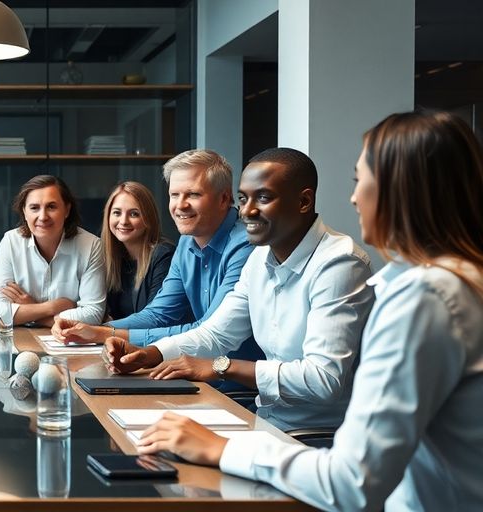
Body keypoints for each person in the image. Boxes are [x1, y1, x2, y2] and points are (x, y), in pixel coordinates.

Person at [136, 111, 483, 511]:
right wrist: (156, 352)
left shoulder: (423, 297)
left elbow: (350, 482)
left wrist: (222, 448)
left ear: (402, 190)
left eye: (360, 181)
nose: (354, 198)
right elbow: (217, 331)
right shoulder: (451, 282)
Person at [104, 148, 374, 432]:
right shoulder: (259, 257)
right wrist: (151, 354)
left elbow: (323, 380)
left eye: (264, 198)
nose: (247, 211)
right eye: (244, 199)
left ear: (304, 201)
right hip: (265, 420)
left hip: (317, 437)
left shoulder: (339, 264)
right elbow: (217, 333)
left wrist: (222, 366)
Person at [51, 150, 263, 389]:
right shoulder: (187, 242)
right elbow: (159, 314)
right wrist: (94, 330)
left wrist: (105, 334)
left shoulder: (246, 245)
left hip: (241, 391)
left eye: (193, 194)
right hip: (197, 379)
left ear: (224, 199)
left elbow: (207, 331)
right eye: (174, 195)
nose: (180, 205)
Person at [0, 175, 105, 327]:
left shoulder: (91, 246)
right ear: (24, 212)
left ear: (67, 210)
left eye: (51, 207)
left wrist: (30, 309)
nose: (42, 217)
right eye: (34, 208)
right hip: (20, 341)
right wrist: (53, 306)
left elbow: (93, 314)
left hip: (70, 342)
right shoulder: (11, 242)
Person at [99, 181, 175, 319]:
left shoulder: (164, 255)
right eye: (117, 213)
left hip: (150, 339)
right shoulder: (110, 257)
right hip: (117, 338)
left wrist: (102, 329)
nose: (123, 221)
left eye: (134, 214)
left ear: (148, 218)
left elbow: (155, 318)